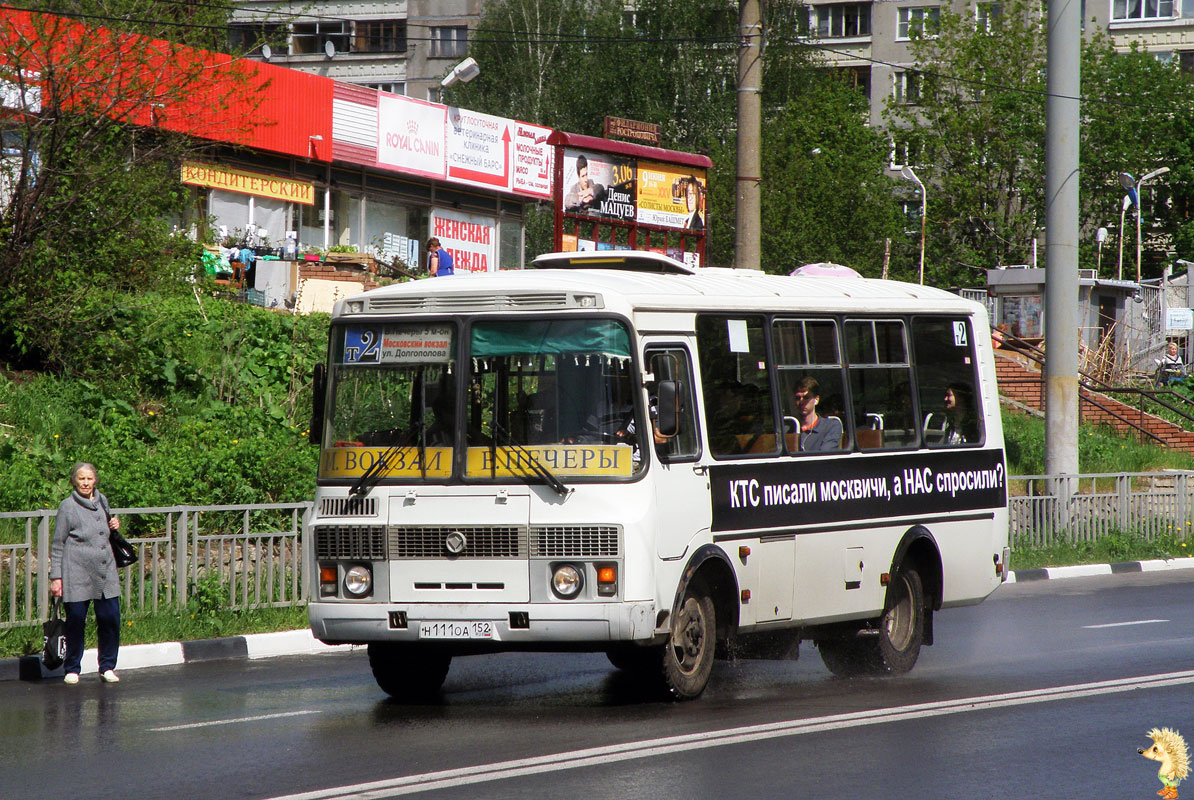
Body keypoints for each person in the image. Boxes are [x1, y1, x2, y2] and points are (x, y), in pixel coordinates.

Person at [49, 462, 123, 685]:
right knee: (76, 620)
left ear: (95, 480)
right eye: (81, 478)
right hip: (77, 571)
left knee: (110, 618)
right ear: (74, 480)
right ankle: (72, 668)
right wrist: (56, 577)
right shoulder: (67, 506)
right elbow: (58, 543)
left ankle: (107, 666)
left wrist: (115, 525)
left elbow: (105, 532)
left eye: (89, 478)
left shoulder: (102, 500)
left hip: (105, 569)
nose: (85, 483)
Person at [793, 376, 843, 452]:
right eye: (798, 398)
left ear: (816, 400)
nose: (801, 402)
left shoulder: (831, 426)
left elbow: (825, 455)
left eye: (806, 397)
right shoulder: (789, 429)